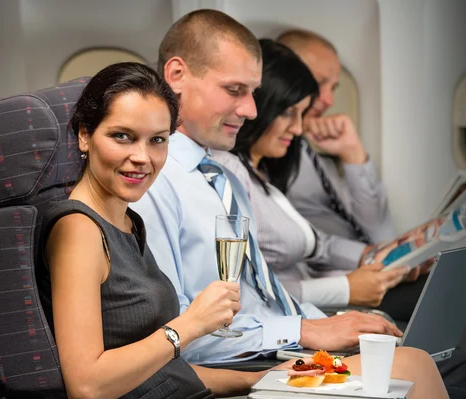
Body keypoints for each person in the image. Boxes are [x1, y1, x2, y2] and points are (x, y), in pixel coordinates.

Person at [35, 57, 448, 399]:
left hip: (201, 387)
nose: (142, 157)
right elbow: (87, 384)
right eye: (123, 137)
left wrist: (265, 377)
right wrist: (191, 325)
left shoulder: (127, 219)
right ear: (85, 136)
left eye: (157, 140)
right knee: (409, 365)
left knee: (410, 362)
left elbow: (171, 370)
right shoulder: (78, 230)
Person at [129, 14, 450, 398]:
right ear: (177, 75)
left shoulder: (222, 176)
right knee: (413, 365)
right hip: (234, 362)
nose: (250, 109)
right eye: (234, 90)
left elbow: (265, 293)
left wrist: (328, 324)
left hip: (270, 343)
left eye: (253, 92)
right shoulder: (152, 180)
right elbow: (176, 334)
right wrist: (305, 330)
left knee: (422, 350)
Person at [211, 39, 410, 309]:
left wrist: (375, 257)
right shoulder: (232, 170)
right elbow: (249, 286)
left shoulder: (268, 169)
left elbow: (321, 245)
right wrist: (346, 288)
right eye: (289, 113)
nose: (297, 129)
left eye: (302, 114)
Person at [276, 29, 395, 245]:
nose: (329, 100)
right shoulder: (272, 152)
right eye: (319, 83)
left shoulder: (311, 152)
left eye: (333, 88)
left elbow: (378, 229)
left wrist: (352, 153)